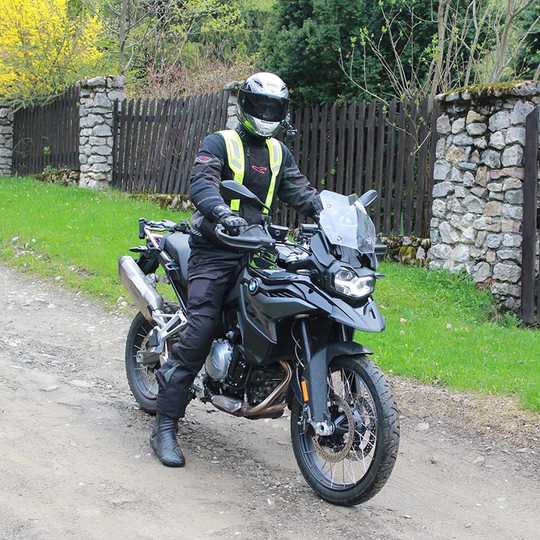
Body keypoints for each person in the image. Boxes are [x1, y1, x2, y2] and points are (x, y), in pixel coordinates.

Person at [151, 72, 322, 467]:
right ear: (245, 105)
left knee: (295, 305)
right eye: (260, 106)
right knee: (201, 327)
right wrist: (218, 213)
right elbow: (202, 183)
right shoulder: (219, 142)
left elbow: (302, 192)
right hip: (215, 248)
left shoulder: (279, 153)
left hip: (258, 248)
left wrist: (330, 214)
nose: (266, 114)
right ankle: (164, 425)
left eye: (274, 109)